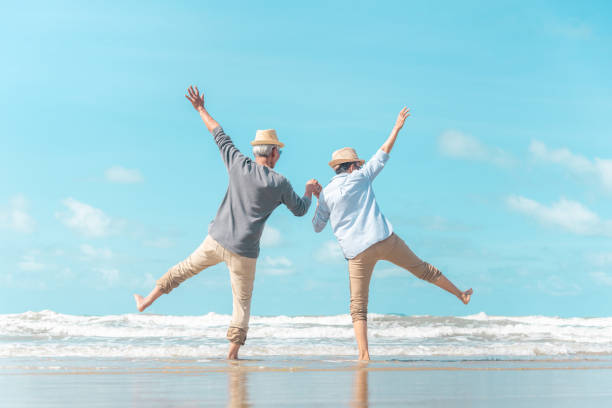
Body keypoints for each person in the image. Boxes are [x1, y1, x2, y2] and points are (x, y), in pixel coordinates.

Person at [134, 86, 321, 360]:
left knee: (183, 269)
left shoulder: (237, 163)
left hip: (217, 239)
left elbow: (218, 133)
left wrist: (200, 108)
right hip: (245, 251)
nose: (279, 155)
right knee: (242, 305)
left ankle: (146, 301)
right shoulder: (280, 182)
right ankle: (232, 354)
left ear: (256, 150)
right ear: (273, 154)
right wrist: (309, 191)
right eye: (278, 151)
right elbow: (301, 210)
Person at [312, 107, 472, 361]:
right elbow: (383, 153)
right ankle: (461, 295)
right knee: (423, 270)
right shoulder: (361, 177)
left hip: (356, 252)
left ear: (337, 169)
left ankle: (364, 355)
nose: (360, 166)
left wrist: (315, 196)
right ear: (352, 166)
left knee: (358, 306)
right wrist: (396, 127)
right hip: (383, 239)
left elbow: (317, 226)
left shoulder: (326, 194)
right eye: (358, 164)